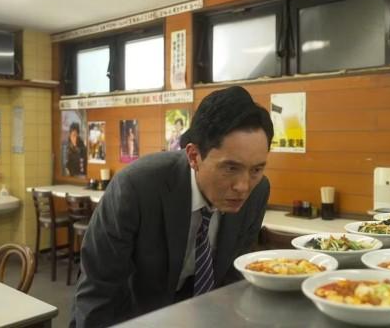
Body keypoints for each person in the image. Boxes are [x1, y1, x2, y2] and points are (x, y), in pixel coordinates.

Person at [70, 86, 274, 327]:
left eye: (256, 169)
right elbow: (98, 290)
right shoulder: (136, 187)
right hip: (135, 317)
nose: (243, 186)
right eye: (231, 168)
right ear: (193, 156)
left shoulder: (258, 192)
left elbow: (233, 277)